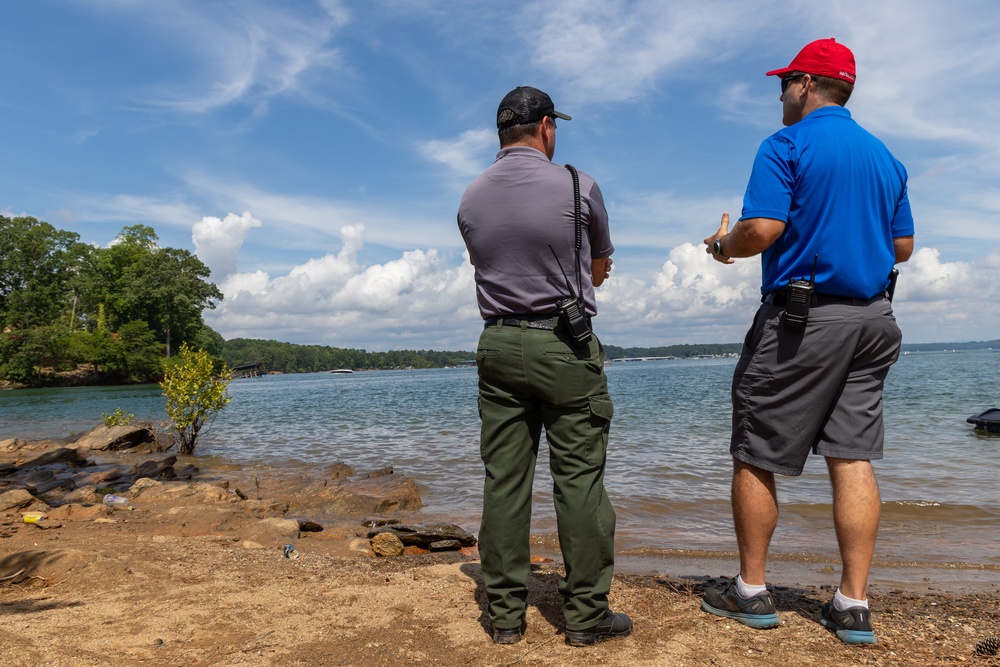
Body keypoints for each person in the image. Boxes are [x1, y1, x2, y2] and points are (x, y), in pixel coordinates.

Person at [700, 38, 915, 645]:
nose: (779, 94)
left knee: (757, 448)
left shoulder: (785, 145)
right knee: (852, 455)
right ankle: (852, 603)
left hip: (804, 319)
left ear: (806, 84)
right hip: (874, 320)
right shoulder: (885, 157)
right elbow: (902, 247)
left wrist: (723, 246)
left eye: (784, 83)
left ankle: (751, 591)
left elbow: (763, 229)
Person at [457, 86, 631, 648]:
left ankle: (505, 615)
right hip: (564, 343)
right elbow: (599, 268)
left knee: (504, 480)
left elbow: (492, 263)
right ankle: (584, 617)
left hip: (498, 344)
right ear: (547, 127)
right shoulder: (579, 185)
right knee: (579, 480)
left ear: (501, 133)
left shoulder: (471, 197)